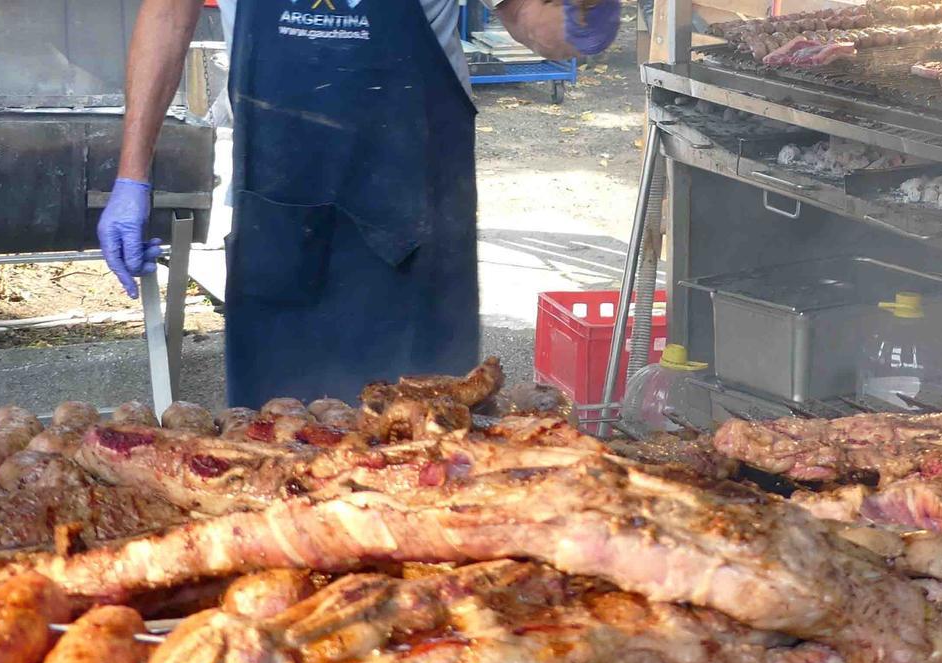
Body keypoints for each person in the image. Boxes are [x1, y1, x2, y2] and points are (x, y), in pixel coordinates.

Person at [98, 0, 621, 406]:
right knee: (273, 456)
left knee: (428, 457)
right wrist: (131, 176)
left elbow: (528, 14)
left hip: (418, 234)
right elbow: (167, 12)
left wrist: (582, 20)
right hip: (281, 222)